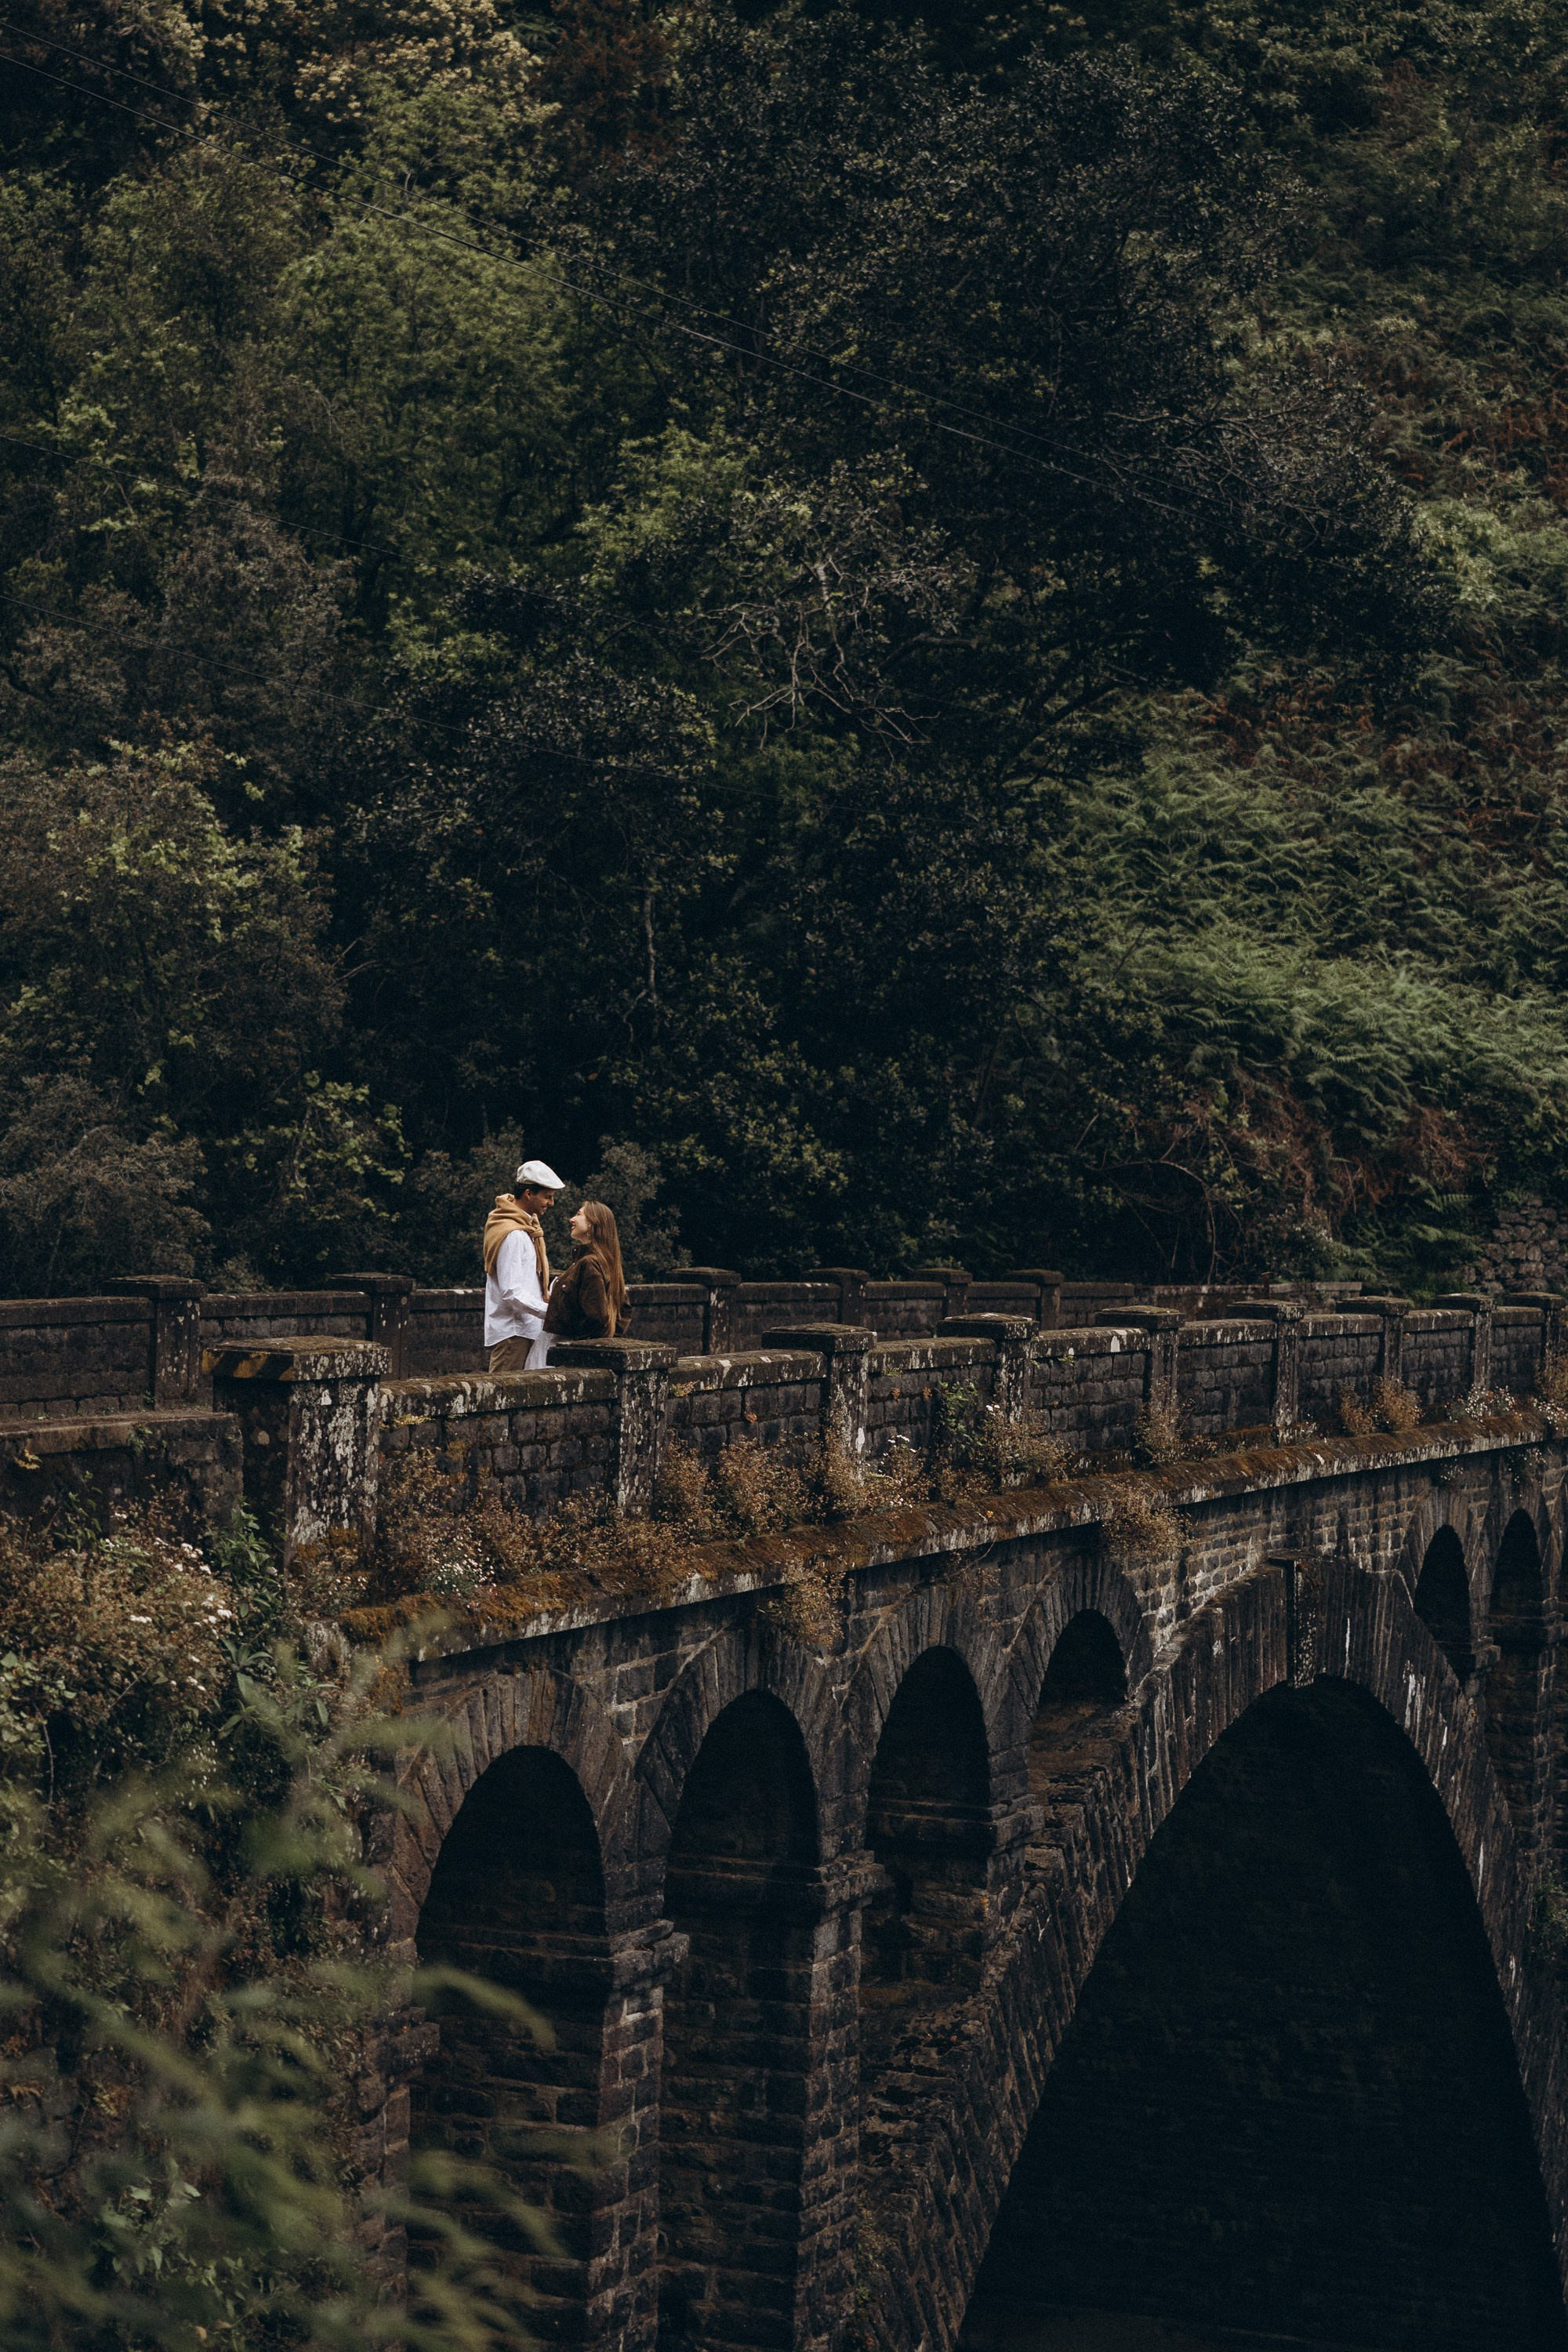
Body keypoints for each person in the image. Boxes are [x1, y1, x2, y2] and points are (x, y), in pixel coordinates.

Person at [482, 1159, 564, 1371]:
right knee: (501, 1400)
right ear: (529, 1193)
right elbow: (511, 1291)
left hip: (524, 1329)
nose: (551, 1203)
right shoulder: (514, 1234)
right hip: (514, 1332)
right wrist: (550, 1311)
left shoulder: (525, 1229)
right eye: (547, 1196)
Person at [545, 1199, 629, 1342]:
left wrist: (577, 1344)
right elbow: (624, 1313)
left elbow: (598, 1317)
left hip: (563, 1347)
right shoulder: (596, 1261)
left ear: (591, 1223)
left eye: (578, 1214)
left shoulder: (589, 1263)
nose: (571, 1219)